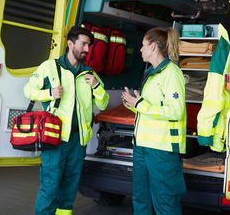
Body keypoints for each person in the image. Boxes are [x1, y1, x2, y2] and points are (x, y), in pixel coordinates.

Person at [24, 26, 109, 215]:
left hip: (78, 142)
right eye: (83, 44)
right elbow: (28, 90)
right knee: (50, 186)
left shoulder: (90, 74)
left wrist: (96, 87)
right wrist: (49, 93)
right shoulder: (50, 67)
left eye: (89, 45)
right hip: (55, 140)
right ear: (70, 43)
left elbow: (103, 104)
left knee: (69, 190)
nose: (87, 49)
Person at [122, 27, 186, 215]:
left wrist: (141, 104)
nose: (140, 50)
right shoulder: (151, 73)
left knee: (165, 202)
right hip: (142, 147)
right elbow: (151, 109)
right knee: (141, 199)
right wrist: (134, 104)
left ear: (153, 46)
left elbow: (175, 111)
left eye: (143, 45)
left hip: (162, 150)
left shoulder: (171, 73)